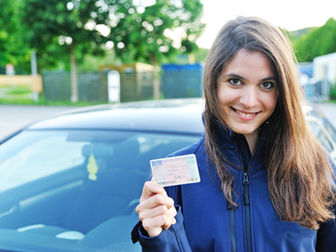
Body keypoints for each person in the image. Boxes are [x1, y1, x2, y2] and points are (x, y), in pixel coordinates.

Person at [131, 16, 336, 251]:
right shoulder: (174, 176)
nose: (249, 101)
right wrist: (158, 237)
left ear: (283, 90)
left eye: (266, 84)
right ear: (214, 82)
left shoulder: (317, 167)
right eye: (235, 81)